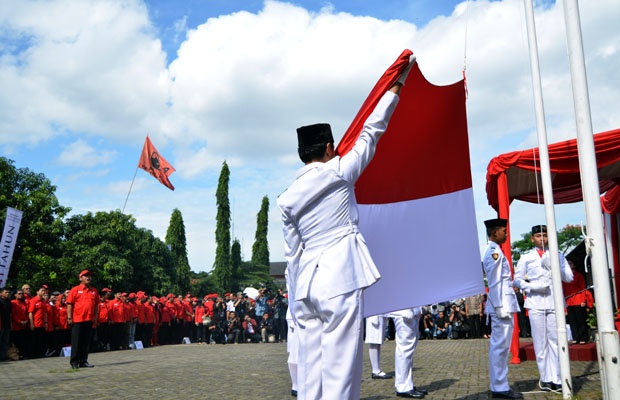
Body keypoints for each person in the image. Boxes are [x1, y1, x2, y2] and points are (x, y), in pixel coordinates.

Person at [277, 53, 415, 400]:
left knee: (311, 368)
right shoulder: (339, 173)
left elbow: (291, 254)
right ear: (328, 147)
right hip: (339, 276)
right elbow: (373, 130)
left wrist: (295, 304)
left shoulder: (286, 198)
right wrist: (397, 84)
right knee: (341, 368)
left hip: (306, 284)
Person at [514, 225, 573, 393]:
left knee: (556, 340)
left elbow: (569, 277)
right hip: (535, 302)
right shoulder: (526, 257)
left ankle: (558, 378)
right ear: (532, 238)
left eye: (545, 235)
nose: (542, 238)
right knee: (540, 343)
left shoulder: (558, 255)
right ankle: (546, 378)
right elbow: (517, 280)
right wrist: (532, 287)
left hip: (555, 302)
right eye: (538, 236)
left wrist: (555, 265)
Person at [482, 218, 522, 399]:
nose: (506, 234)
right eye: (503, 231)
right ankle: (499, 387)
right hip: (501, 305)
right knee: (499, 347)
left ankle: (500, 385)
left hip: (504, 303)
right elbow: (495, 281)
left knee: (502, 346)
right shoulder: (493, 252)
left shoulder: (496, 251)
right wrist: (499, 306)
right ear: (494, 232)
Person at [390, 308, 428, 399]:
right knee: (405, 348)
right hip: (403, 310)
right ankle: (403, 387)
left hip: (412, 310)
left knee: (409, 349)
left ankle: (408, 384)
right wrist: (405, 308)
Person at [66, 269, 100, 369]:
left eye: (89, 276)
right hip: (77, 320)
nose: (88, 278)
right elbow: (70, 304)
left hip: (89, 320)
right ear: (80, 278)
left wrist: (95, 317)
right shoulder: (75, 290)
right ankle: (74, 362)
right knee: (76, 342)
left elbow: (96, 305)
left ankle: (83, 361)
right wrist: (69, 317)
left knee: (86, 342)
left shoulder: (94, 291)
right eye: (86, 276)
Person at [563, 259, 589, 344]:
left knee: (580, 320)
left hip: (578, 300)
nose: (569, 265)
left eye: (571, 263)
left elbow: (582, 288)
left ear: (574, 265)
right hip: (569, 301)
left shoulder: (579, 275)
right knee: (572, 321)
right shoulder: (565, 277)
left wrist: (583, 300)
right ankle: (575, 337)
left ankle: (583, 338)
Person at [364, 314, 392, 380]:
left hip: (381, 315)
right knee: (374, 342)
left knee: (378, 343)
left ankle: (376, 369)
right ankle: (375, 370)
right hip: (374, 316)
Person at [0, 287, 11, 361]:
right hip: (0, 324)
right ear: (1, 293)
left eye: (8, 292)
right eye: (6, 292)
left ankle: (3, 357)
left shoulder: (9, 302)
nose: (8, 294)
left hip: (7, 325)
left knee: (5, 342)